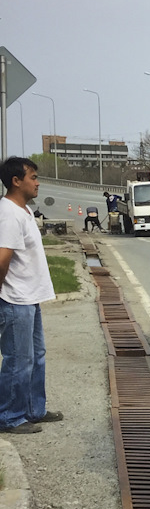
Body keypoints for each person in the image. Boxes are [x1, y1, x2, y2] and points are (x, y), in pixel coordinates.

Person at [0, 157, 63, 435]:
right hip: (15, 300)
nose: (37, 183)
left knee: (36, 356)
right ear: (16, 181)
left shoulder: (23, 211)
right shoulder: (8, 214)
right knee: (18, 359)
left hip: (29, 298)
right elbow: (3, 259)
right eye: (33, 177)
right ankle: (10, 417)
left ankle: (34, 410)